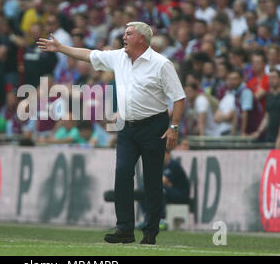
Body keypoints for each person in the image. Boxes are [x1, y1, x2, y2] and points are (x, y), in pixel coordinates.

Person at [37, 21, 186, 245]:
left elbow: (179, 97)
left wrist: (173, 127)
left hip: (154, 126)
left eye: (128, 34)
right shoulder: (119, 57)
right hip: (126, 125)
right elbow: (89, 55)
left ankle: (150, 230)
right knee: (122, 173)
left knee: (152, 179)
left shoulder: (161, 64)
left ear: (142, 39)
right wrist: (61, 48)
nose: (123, 37)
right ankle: (124, 228)